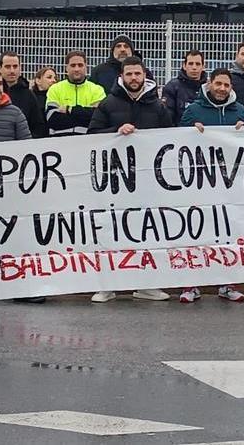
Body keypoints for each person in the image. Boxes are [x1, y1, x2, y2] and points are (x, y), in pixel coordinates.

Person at [87, 56, 172, 303]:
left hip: (147, 181)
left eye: (138, 74)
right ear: (121, 76)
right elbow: (92, 135)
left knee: (147, 233)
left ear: (144, 75)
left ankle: (147, 284)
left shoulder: (157, 106)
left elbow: (170, 138)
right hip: (114, 181)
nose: (134, 78)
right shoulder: (108, 103)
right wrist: (115, 132)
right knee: (110, 232)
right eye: (130, 74)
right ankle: (107, 285)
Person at [177, 68, 244, 304]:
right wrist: (189, 132)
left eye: (226, 85)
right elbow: (174, 141)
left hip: (229, 185)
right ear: (209, 84)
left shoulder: (239, 110)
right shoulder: (194, 110)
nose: (221, 89)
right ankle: (191, 284)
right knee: (196, 232)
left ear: (231, 88)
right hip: (198, 184)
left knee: (228, 234)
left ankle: (227, 284)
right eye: (218, 84)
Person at [45, 51, 106, 137]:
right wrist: (85, 114)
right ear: (66, 68)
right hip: (59, 143)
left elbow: (99, 119)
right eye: (73, 65)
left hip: (88, 144)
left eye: (80, 65)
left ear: (86, 67)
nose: (76, 69)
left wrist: (69, 109)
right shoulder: (55, 89)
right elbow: (52, 119)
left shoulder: (97, 90)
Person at [0, 52, 46, 138]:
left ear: (20, 68)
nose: (12, 70)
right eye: (8, 67)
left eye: (15, 66)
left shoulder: (29, 95)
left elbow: (38, 125)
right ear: (0, 68)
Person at [162, 49, 206, 126]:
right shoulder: (172, 87)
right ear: (184, 66)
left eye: (198, 64)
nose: (194, 67)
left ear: (203, 67)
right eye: (191, 64)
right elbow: (167, 118)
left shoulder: (208, 88)